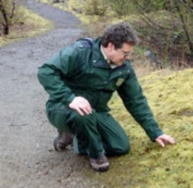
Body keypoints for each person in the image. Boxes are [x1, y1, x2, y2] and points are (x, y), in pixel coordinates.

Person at [37, 22, 175, 172]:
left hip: (97, 111)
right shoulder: (80, 52)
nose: (127, 57)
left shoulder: (124, 69)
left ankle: (76, 138)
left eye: (129, 53)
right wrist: (70, 98)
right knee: (82, 114)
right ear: (110, 46)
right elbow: (45, 71)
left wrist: (155, 132)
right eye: (125, 53)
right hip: (61, 108)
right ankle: (96, 155)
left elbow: (136, 101)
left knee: (121, 147)